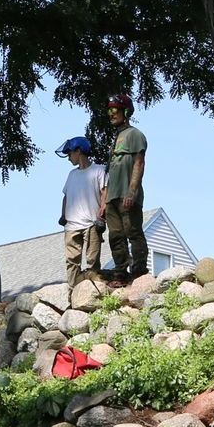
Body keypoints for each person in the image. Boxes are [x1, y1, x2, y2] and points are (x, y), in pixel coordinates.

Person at [103, 93, 149, 281]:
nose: (111, 114)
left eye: (115, 110)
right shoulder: (116, 138)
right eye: (109, 111)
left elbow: (139, 162)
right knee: (115, 235)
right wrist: (104, 201)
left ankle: (139, 271)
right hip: (112, 197)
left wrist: (132, 191)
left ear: (126, 111)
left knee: (133, 232)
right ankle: (121, 272)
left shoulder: (134, 134)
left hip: (127, 194)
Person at [56, 137, 106, 291]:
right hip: (71, 225)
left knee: (92, 260)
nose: (68, 158)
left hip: (91, 223)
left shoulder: (99, 170)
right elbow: (66, 196)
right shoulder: (72, 174)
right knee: (72, 261)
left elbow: (105, 192)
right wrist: (63, 215)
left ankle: (93, 291)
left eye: (70, 154)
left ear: (79, 151)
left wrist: (102, 211)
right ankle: (73, 290)